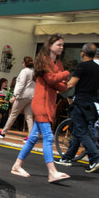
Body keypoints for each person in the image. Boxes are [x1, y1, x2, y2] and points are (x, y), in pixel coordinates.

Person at [11, 34, 70, 183]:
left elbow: (62, 86)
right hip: (41, 103)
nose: (61, 47)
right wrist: (66, 74)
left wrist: (58, 79)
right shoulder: (44, 61)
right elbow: (52, 80)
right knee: (48, 137)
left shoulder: (59, 65)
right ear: (50, 46)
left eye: (63, 45)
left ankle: (17, 165)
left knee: (32, 138)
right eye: (59, 44)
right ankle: (52, 172)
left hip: (50, 104)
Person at [55, 43, 99, 173]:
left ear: (82, 53)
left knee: (81, 132)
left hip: (81, 103)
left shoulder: (82, 66)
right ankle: (67, 158)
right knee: (77, 131)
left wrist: (58, 90)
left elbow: (71, 84)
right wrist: (93, 95)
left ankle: (95, 158)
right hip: (93, 104)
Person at [0, 56, 35, 138]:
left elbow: (21, 84)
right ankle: (31, 136)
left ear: (24, 63)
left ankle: (3, 132)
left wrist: (14, 96)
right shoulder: (34, 72)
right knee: (29, 116)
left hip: (22, 96)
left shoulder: (24, 71)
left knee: (13, 114)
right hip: (31, 96)